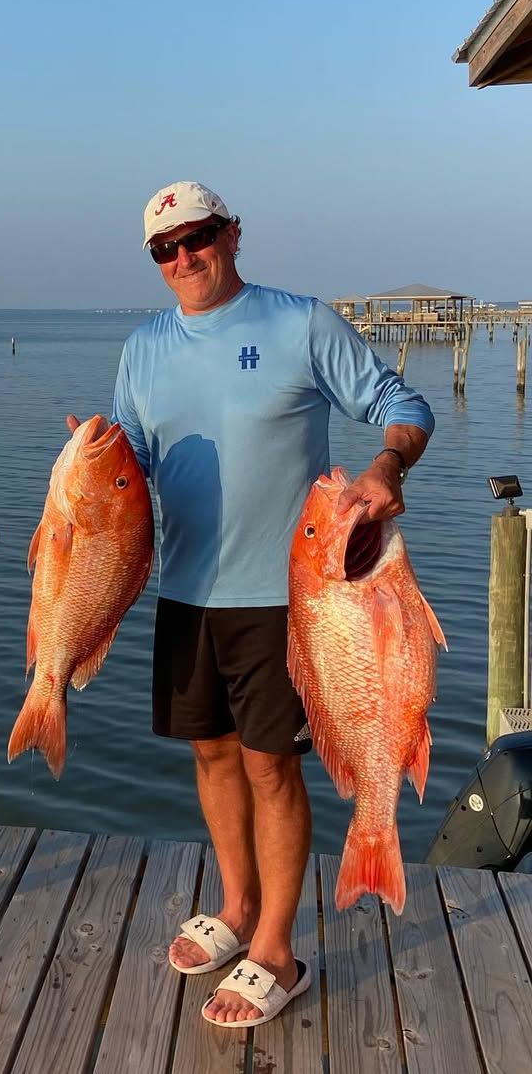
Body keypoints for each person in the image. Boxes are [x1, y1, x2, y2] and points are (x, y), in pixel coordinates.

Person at [111, 180, 434, 1028]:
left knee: (269, 766)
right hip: (186, 591)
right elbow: (130, 461)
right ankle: (238, 904)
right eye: (165, 249)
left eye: (198, 237)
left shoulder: (301, 324)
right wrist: (92, 473)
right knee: (212, 756)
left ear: (232, 233)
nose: (184, 257)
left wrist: (386, 467)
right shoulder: (144, 347)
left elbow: (403, 405)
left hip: (292, 601)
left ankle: (278, 952)